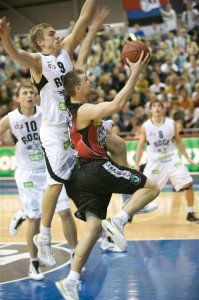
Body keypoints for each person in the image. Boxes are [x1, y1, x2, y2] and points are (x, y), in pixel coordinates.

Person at [0, 0, 97, 268]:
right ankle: (43, 235)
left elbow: (82, 19)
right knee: (55, 184)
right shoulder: (38, 62)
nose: (57, 35)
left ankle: (104, 221)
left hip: (68, 128)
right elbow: (17, 55)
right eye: (51, 33)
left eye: (56, 32)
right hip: (52, 132)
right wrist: (6, 39)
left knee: (96, 159)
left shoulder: (65, 52)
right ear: (41, 43)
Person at [55, 53, 160, 299]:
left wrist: (105, 127)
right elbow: (115, 105)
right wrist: (135, 72)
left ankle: (71, 280)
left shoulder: (79, 112)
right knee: (152, 187)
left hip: (85, 173)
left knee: (92, 230)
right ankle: (120, 220)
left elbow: (115, 141)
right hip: (96, 168)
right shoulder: (82, 110)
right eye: (87, 79)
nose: (91, 81)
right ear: (78, 88)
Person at [0, 84, 78, 280]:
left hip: (50, 169)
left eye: (32, 93)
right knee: (35, 219)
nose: (29, 95)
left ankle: (77, 255)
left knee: (66, 212)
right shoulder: (11, 119)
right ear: (17, 99)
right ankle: (34, 263)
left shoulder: (45, 113)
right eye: (25, 93)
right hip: (27, 173)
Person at [134, 99, 199, 223]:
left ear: (163, 109)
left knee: (188, 184)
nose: (157, 108)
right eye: (154, 106)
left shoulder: (171, 123)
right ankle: (130, 212)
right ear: (151, 109)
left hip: (172, 159)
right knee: (144, 189)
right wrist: (137, 163)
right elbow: (141, 145)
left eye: (159, 106)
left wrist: (186, 156)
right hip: (155, 162)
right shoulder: (146, 126)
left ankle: (190, 213)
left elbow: (178, 141)